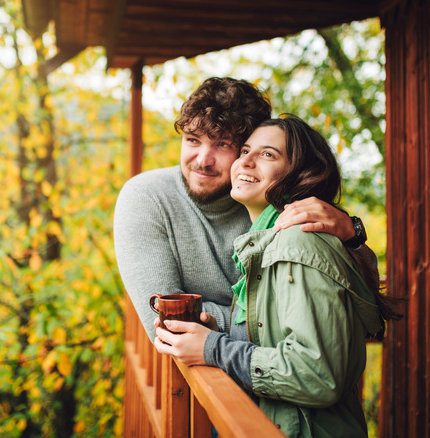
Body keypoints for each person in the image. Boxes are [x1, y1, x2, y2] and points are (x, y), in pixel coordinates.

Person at [153, 115, 402, 437]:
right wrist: (225, 338)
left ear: (301, 174)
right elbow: (280, 341)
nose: (247, 161)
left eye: (268, 154)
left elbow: (316, 375)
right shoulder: (266, 244)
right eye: (244, 151)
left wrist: (214, 348)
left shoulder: (295, 243)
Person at [114, 77, 371, 341]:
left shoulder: (275, 201)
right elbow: (167, 322)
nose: (203, 160)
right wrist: (263, 322)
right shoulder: (147, 196)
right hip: (227, 371)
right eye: (192, 140)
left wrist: (353, 234)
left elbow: (351, 305)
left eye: (223, 144)